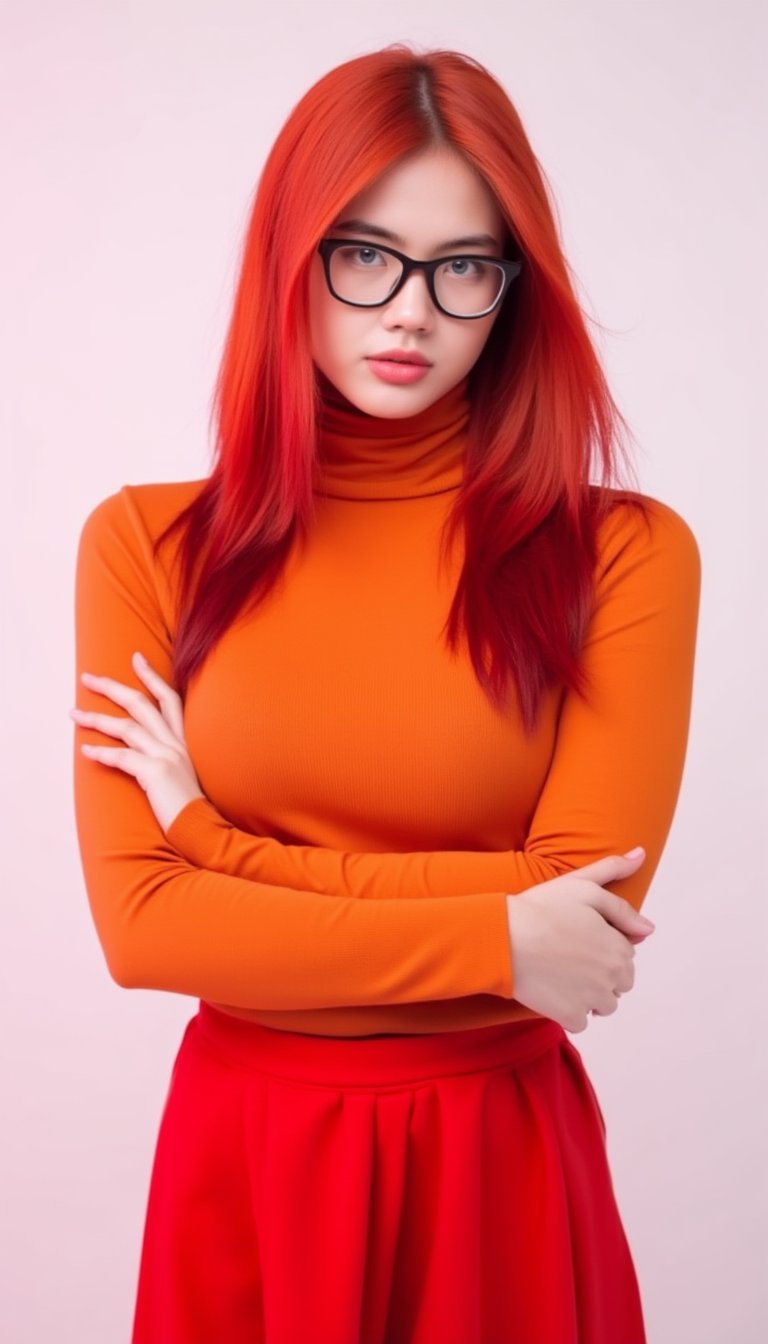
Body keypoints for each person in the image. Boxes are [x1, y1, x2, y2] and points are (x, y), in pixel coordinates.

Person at [71, 44, 701, 1344]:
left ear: (514, 291)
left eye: (463, 265)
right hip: (243, 1166)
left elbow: (584, 925)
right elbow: (145, 930)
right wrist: (492, 932)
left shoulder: (626, 554)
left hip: (497, 1170)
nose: (409, 310)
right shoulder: (146, 548)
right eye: (365, 254)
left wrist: (212, 845)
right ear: (289, 262)